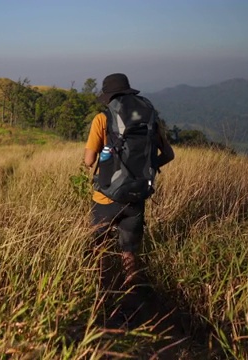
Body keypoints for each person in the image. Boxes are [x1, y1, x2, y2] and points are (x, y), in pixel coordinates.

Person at [84, 73, 174, 285]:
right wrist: (145, 170)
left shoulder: (102, 119)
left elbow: (89, 160)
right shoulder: (148, 120)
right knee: (129, 252)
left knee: (98, 247)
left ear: (109, 96)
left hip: (105, 196)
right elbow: (169, 155)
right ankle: (132, 293)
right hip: (137, 195)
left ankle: (102, 291)